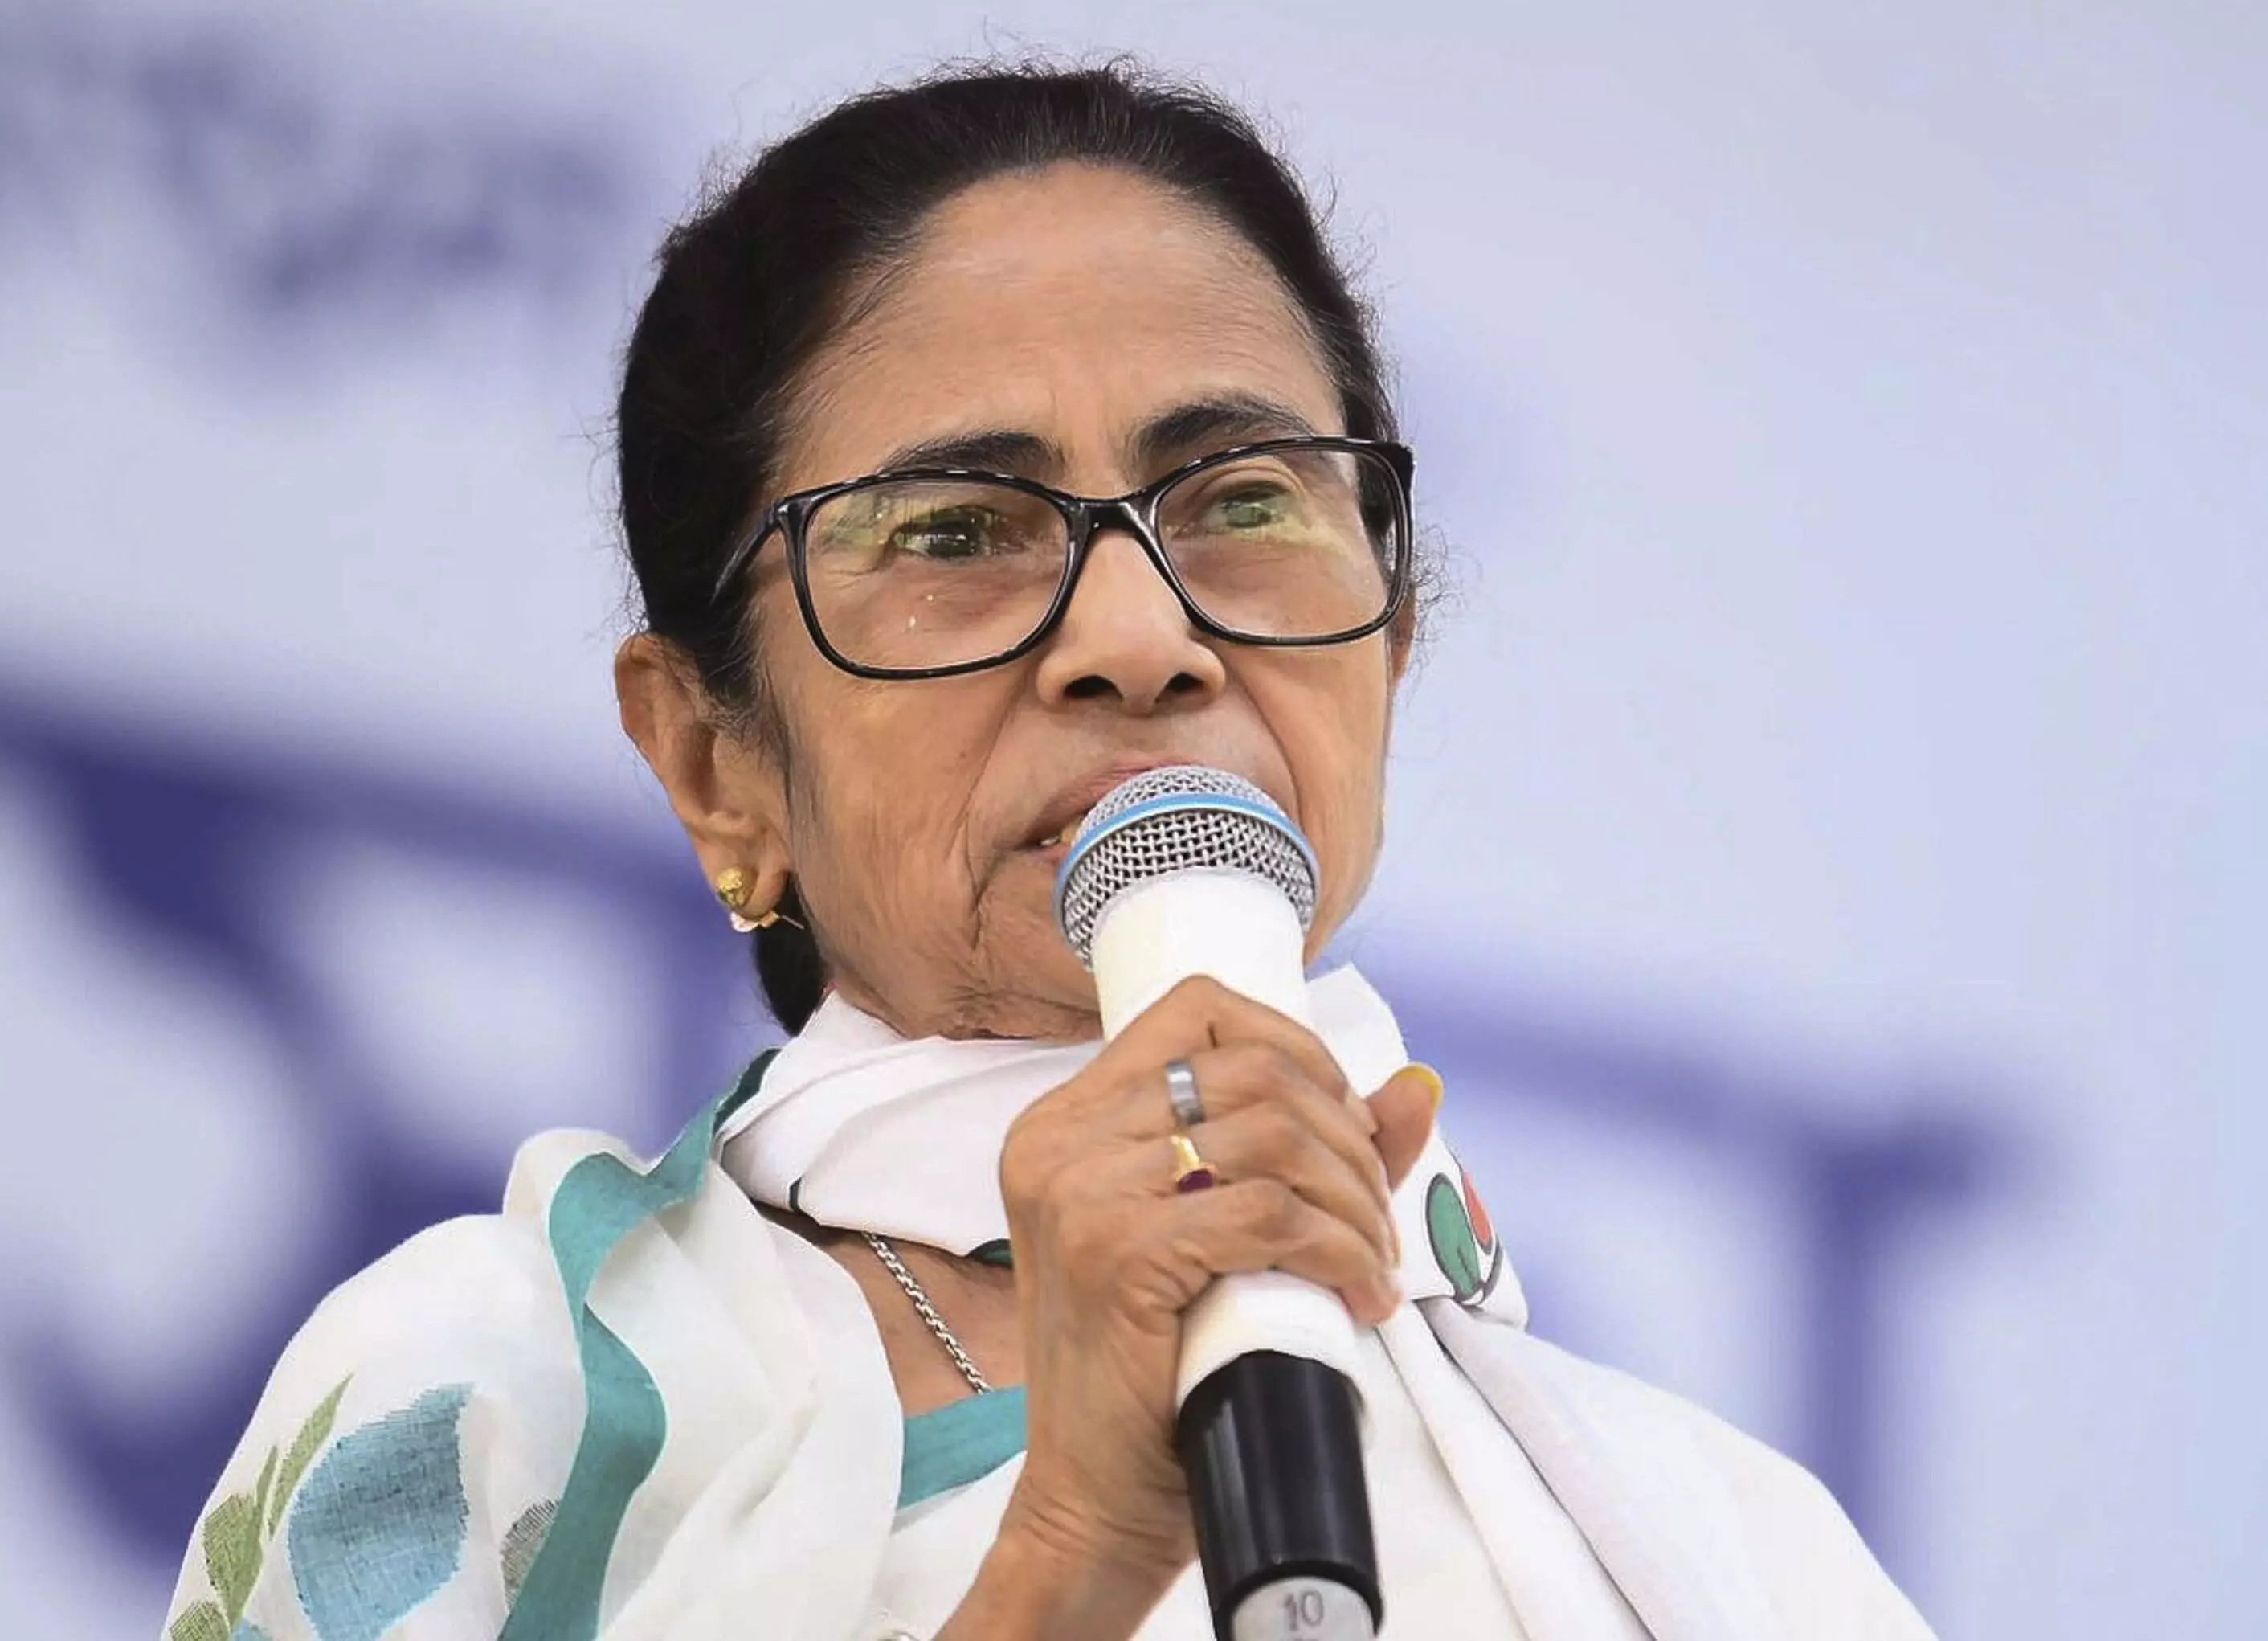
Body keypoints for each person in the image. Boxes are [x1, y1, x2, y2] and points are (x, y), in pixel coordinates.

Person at [161, 63, 1932, 1641]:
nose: (1141, 636)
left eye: (1246, 500)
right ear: (715, 762)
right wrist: (1069, 1557)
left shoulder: (1730, 1555)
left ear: (1394, 643)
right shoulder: (496, 1405)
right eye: (956, 532)